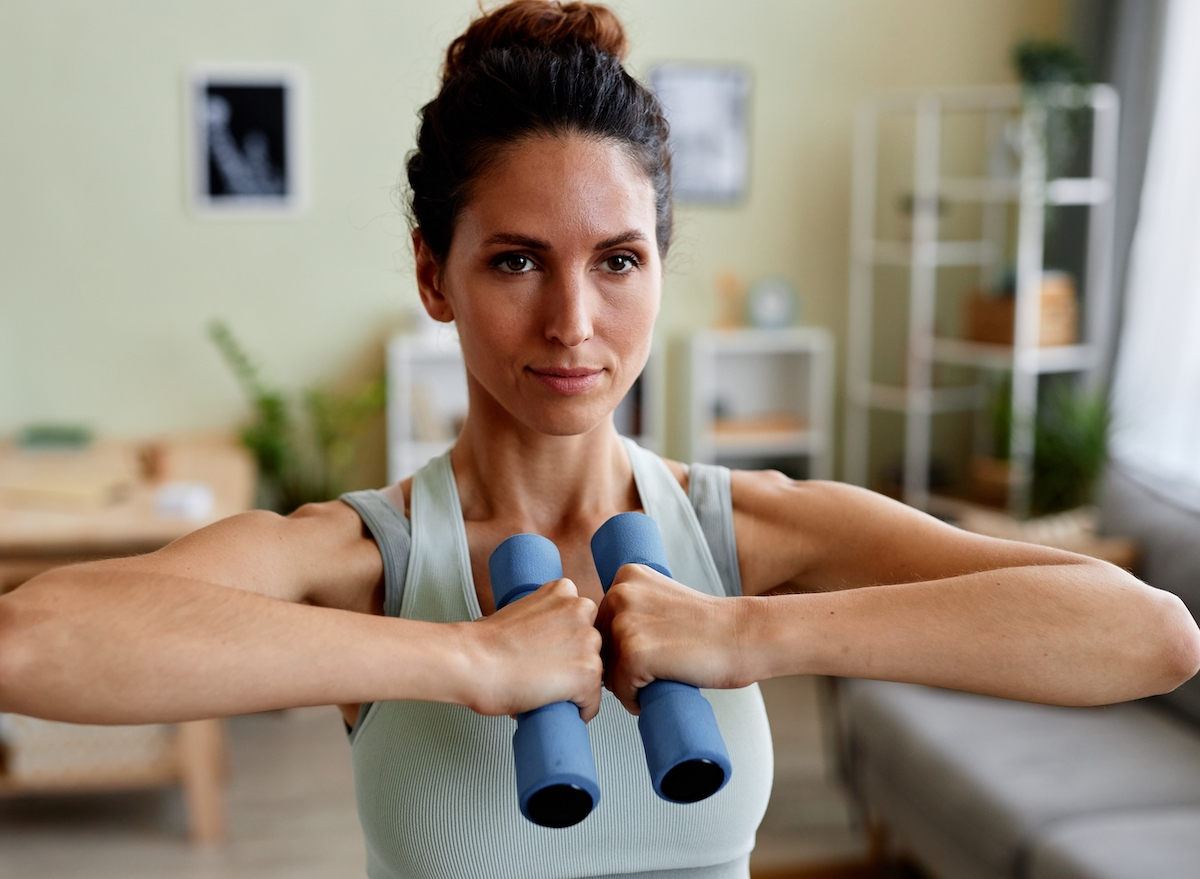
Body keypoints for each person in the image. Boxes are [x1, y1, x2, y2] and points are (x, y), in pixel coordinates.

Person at [1, 2, 1198, 877]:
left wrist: (750, 634)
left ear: (661, 270)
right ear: (436, 274)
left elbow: (1147, 635)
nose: (575, 323)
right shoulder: (362, 558)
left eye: (618, 261)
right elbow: (33, 644)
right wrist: (465, 663)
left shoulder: (750, 534)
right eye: (516, 260)